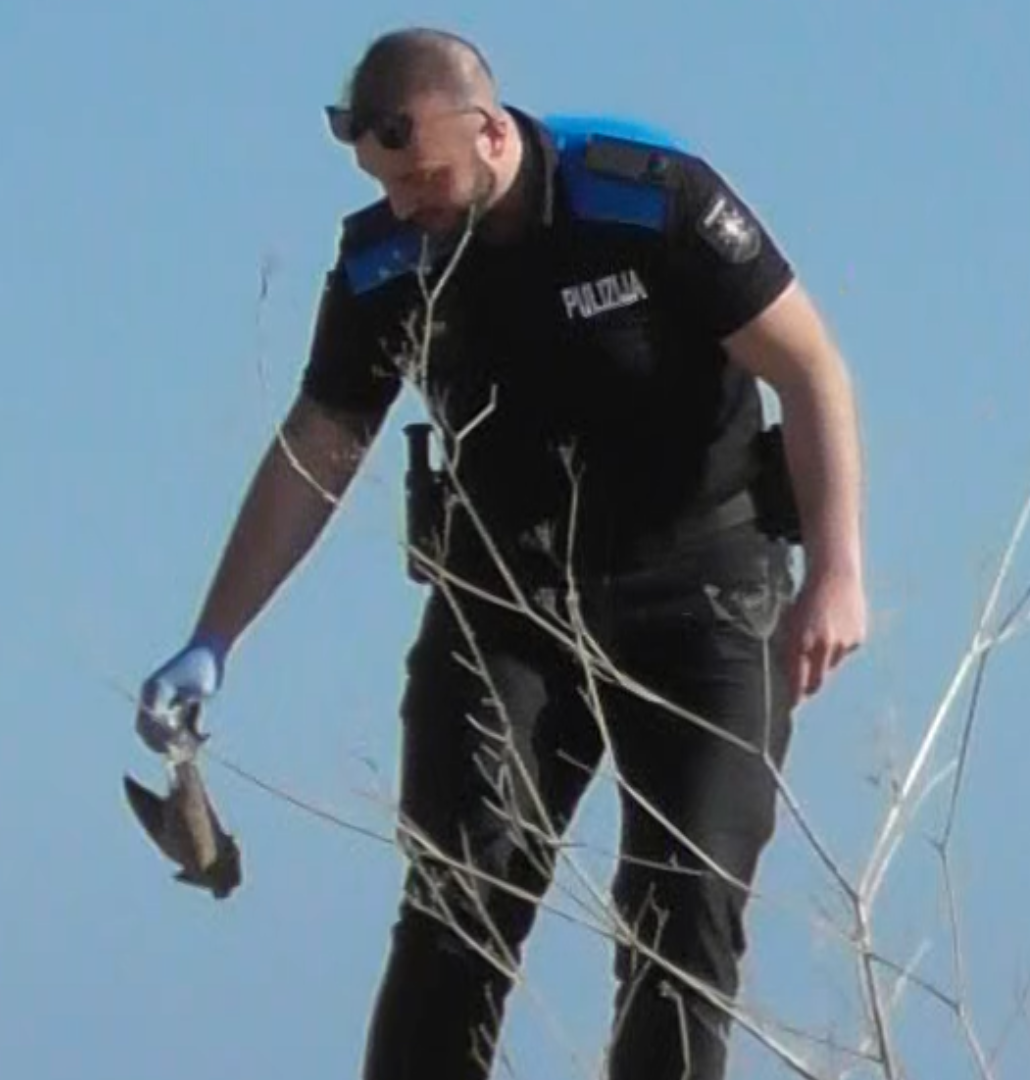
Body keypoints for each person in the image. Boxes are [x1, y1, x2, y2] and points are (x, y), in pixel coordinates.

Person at [136, 26, 870, 1080]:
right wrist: (213, 637)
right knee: (457, 907)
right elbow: (318, 448)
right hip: (508, 606)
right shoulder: (389, 260)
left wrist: (838, 572)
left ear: (487, 133)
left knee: (682, 915)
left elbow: (810, 370)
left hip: (702, 589)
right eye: (385, 185)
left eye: (421, 178)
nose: (406, 205)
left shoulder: (644, 197)